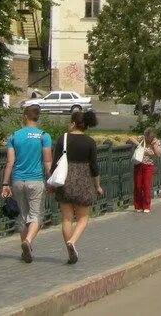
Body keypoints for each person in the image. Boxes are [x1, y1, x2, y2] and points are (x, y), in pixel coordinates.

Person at [51, 109, 103, 265]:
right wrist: (98, 186)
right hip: (83, 182)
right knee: (83, 217)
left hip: (65, 181)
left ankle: (70, 251)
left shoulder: (63, 139)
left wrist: (51, 183)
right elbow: (94, 168)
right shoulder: (90, 142)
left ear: (73, 123)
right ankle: (72, 242)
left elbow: (55, 164)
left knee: (66, 219)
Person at [1, 104, 52, 263]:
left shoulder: (14, 136)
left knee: (23, 216)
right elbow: (47, 161)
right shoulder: (44, 136)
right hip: (35, 180)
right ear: (37, 117)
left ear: (25, 116)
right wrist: (50, 180)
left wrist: (5, 184)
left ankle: (25, 252)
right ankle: (28, 242)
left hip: (17, 180)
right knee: (36, 216)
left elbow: (10, 162)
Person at [129, 128, 161, 213]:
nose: (147, 138)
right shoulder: (142, 138)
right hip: (138, 164)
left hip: (148, 165)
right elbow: (131, 138)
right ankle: (138, 205)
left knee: (146, 186)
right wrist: (139, 145)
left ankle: (146, 205)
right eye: (146, 136)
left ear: (152, 137)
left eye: (149, 137)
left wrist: (153, 147)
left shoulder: (156, 142)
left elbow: (158, 154)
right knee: (138, 185)